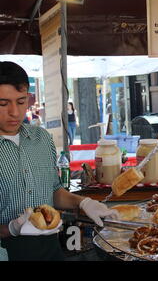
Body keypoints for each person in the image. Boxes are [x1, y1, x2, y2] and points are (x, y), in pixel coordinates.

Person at [0, 61, 119, 261]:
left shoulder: (41, 139)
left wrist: (84, 203)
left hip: (50, 249)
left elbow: (54, 191)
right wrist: (11, 228)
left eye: (21, 102)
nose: (14, 112)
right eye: (3, 104)